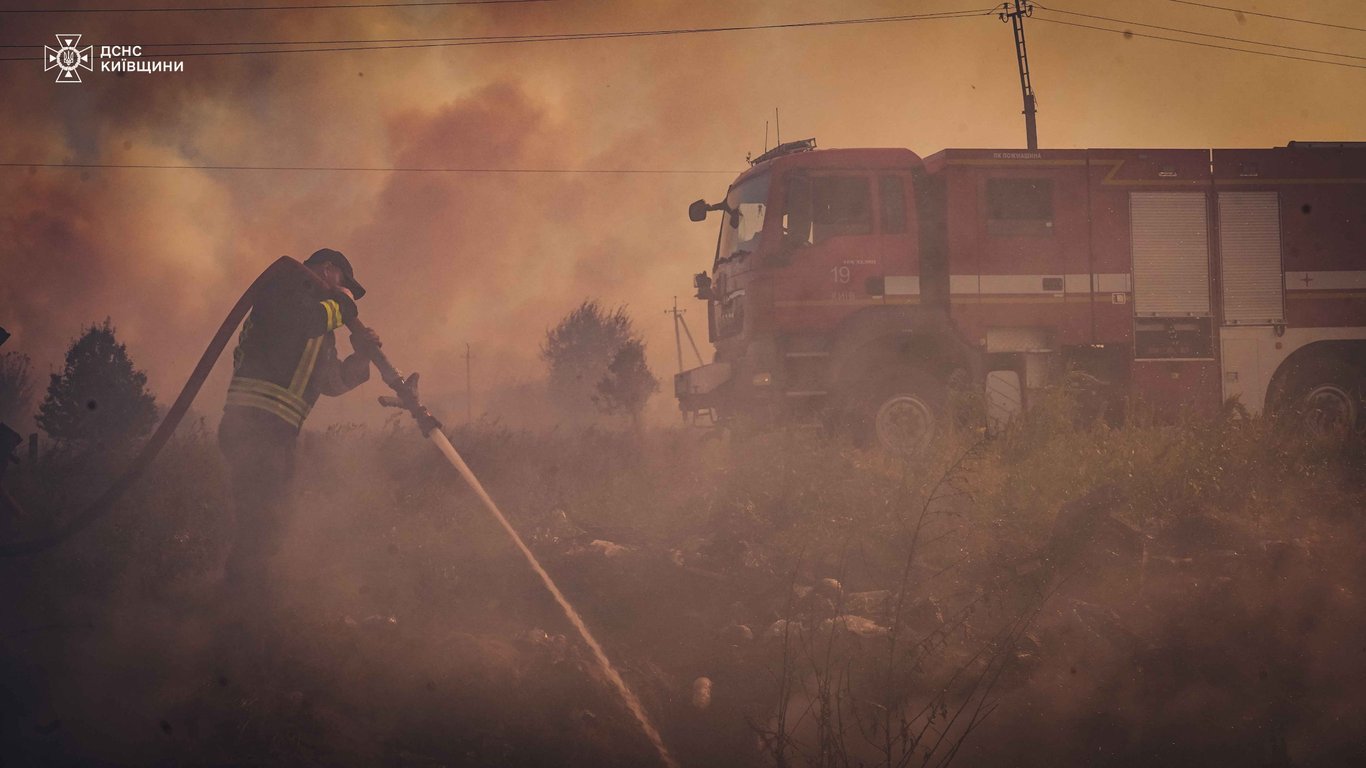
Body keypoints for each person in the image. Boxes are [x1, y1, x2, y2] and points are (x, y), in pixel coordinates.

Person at [217, 248, 380, 605]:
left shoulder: (319, 328)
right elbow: (303, 320)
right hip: (253, 427)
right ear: (328, 270)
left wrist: (363, 356)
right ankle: (237, 607)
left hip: (279, 436)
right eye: (344, 283)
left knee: (272, 525)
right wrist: (346, 307)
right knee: (258, 526)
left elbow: (332, 382)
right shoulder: (283, 290)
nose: (345, 292)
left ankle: (249, 601)